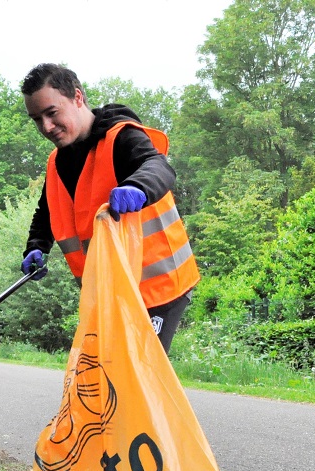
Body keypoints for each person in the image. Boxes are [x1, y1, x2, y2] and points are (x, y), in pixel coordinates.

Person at [19, 63, 199, 354]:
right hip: (111, 293)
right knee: (111, 376)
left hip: (158, 287)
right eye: (36, 119)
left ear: (78, 98)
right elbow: (47, 211)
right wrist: (36, 246)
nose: (46, 127)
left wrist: (138, 187)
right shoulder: (57, 162)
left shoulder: (121, 138)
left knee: (141, 373)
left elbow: (159, 166)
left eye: (52, 113)